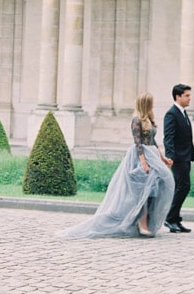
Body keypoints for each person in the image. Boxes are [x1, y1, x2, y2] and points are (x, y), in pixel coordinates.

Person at [60, 93, 174, 238]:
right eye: (151, 103)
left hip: (152, 156)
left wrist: (163, 158)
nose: (153, 105)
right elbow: (138, 143)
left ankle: (144, 223)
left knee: (154, 189)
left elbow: (153, 141)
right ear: (145, 104)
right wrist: (144, 162)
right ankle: (141, 223)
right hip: (140, 157)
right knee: (142, 191)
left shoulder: (150, 120)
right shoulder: (136, 120)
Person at [163, 83, 194, 233]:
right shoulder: (171, 114)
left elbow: (187, 139)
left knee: (183, 187)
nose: (189, 98)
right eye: (187, 95)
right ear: (178, 97)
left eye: (189, 95)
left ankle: (175, 219)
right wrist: (170, 157)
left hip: (186, 157)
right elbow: (169, 138)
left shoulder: (183, 113)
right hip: (177, 158)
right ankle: (170, 218)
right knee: (182, 187)